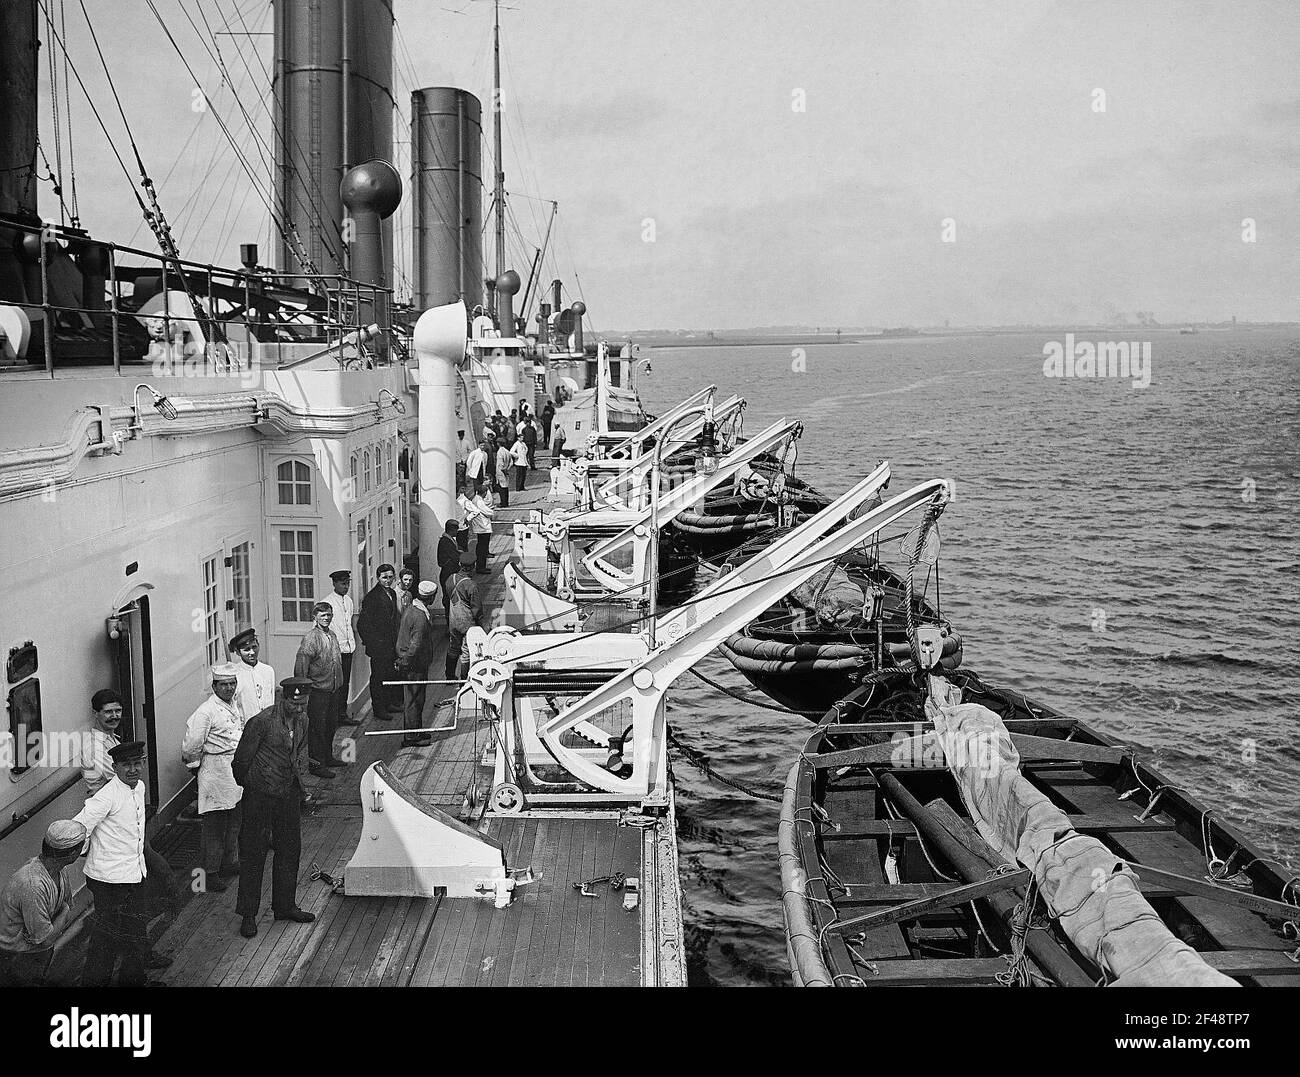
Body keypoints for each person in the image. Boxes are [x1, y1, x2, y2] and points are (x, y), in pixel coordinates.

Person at [79, 690, 176, 955]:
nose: (114, 716)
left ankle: (138, 950)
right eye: (108, 711)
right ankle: (137, 951)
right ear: (96, 713)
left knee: (145, 890)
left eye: (118, 711)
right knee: (157, 880)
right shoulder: (95, 747)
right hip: (112, 827)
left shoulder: (110, 739)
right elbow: (120, 779)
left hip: (126, 823)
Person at [232, 678, 317, 938]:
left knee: (290, 849)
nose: (300, 710)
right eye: (295, 704)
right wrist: (257, 785)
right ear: (284, 698)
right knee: (253, 854)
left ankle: (284, 906)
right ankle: (248, 915)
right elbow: (240, 763)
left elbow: (297, 755)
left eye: (303, 704)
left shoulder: (303, 720)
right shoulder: (261, 722)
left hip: (287, 794)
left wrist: (299, 788)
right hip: (259, 796)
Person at [73, 741, 157, 986]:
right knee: (106, 937)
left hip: (133, 874)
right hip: (108, 881)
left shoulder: (139, 787)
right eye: (126, 765)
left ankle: (133, 981)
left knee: (135, 929)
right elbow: (78, 827)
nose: (132, 769)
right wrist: (91, 852)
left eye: (136, 763)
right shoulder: (105, 797)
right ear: (115, 767)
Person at [181, 665, 245, 892]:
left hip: (233, 769)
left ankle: (228, 863)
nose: (229, 688)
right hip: (214, 771)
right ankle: (210, 873)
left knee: (234, 820)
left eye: (232, 684)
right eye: (224, 684)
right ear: (214, 686)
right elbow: (191, 747)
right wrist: (198, 768)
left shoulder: (234, 705)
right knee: (215, 827)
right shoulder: (205, 712)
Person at [0, 820, 84, 986]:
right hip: (17, 956)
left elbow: (47, 934)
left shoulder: (60, 871)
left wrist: (57, 920)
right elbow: (44, 938)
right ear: (73, 853)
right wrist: (65, 911)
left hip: (35, 952)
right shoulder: (33, 885)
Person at [293, 601, 345, 777]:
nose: (327, 618)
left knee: (331, 725)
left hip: (333, 690)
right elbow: (301, 667)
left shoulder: (332, 635)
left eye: (329, 615)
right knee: (317, 729)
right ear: (315, 617)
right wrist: (302, 692)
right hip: (317, 692)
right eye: (323, 615)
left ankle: (327, 757)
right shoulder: (311, 638)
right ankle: (316, 765)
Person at [394, 581, 437, 748]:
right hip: (414, 665)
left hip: (411, 662)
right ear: (431, 597)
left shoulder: (412, 609)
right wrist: (405, 662)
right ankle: (412, 737)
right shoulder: (419, 617)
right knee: (414, 700)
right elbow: (415, 644)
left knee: (417, 698)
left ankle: (416, 730)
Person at [358, 563, 402, 720]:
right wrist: (372, 643)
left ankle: (388, 703)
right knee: (378, 677)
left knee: (389, 675)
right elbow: (362, 625)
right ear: (378, 578)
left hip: (390, 645)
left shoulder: (392, 593)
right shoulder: (372, 598)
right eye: (384, 578)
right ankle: (378, 709)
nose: (388, 580)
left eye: (391, 577)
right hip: (378, 647)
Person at [324, 569, 357, 727]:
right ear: (334, 584)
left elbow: (348, 623)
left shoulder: (349, 601)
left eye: (348, 583)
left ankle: (342, 714)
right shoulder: (328, 603)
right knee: (335, 685)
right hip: (334, 652)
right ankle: (333, 716)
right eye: (343, 583)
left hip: (348, 649)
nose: (346, 586)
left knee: (344, 684)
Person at [229, 629, 275, 724]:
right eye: (246, 650)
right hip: (246, 728)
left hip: (267, 725)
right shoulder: (234, 674)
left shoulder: (268, 671)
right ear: (238, 652)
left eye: (254, 647)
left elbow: (271, 700)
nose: (252, 652)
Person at [445, 568, 482, 680]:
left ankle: (449, 677)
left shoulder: (451, 578)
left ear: (460, 564)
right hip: (467, 622)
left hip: (453, 620)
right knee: (466, 651)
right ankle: (464, 679)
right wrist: (479, 624)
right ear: (473, 566)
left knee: (453, 647)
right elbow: (477, 608)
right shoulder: (471, 585)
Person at [459, 489, 495, 575]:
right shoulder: (478, 501)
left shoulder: (476, 499)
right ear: (484, 493)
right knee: (482, 548)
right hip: (483, 527)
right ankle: (481, 567)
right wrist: (492, 512)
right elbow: (486, 511)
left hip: (482, 527)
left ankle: (481, 566)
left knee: (482, 547)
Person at [437, 522, 462, 623]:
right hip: (448, 573)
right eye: (456, 530)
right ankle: (449, 622)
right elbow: (454, 556)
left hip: (448, 572)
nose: (457, 532)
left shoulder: (448, 540)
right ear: (451, 529)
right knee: (448, 599)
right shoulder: (446, 541)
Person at [495, 436, 514, 506]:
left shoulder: (500, 452)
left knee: (501, 488)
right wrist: (507, 468)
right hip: (506, 471)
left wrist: (503, 469)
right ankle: (506, 502)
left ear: (498, 443)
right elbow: (511, 462)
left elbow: (500, 464)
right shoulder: (507, 451)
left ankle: (503, 503)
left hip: (501, 472)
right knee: (506, 487)